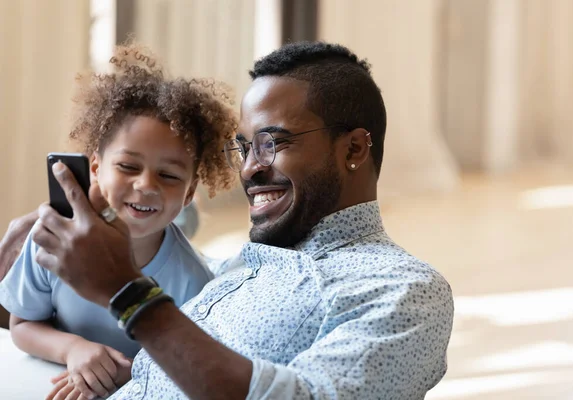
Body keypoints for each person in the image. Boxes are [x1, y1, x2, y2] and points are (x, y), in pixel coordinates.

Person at [1, 42, 454, 400]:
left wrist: (127, 293)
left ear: (354, 149)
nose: (250, 169)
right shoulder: (242, 266)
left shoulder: (402, 291)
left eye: (272, 143)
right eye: (244, 147)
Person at [0, 43, 236, 400]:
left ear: (189, 194)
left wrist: (131, 371)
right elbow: (21, 326)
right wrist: (73, 349)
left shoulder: (193, 281)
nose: (145, 185)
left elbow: (186, 363)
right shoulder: (52, 238)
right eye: (128, 167)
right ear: (95, 169)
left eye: (169, 176)